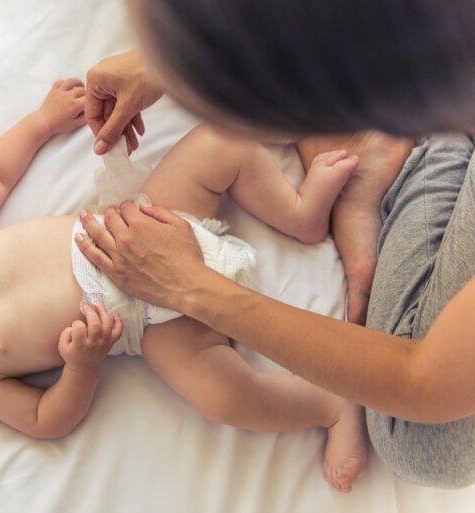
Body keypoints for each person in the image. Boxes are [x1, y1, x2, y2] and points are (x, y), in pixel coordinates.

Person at [0, 79, 369, 492]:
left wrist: (40, 123)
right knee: (225, 399)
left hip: (149, 221)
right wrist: (82, 366)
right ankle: (330, 407)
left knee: (220, 142)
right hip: (155, 326)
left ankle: (298, 213)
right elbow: (46, 420)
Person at [77, 0, 475, 488]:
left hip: (161, 268)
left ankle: (331, 405)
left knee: (417, 441)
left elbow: (426, 383)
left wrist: (191, 288)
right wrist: (174, 58)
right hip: (149, 288)